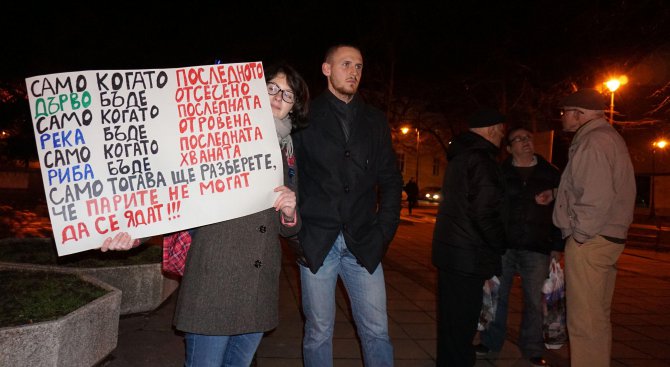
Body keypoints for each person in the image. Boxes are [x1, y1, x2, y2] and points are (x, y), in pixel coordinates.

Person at [101, 63, 310, 366]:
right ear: (253, 91)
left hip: (258, 285)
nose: (278, 96)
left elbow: (288, 229)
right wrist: (132, 232)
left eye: (288, 95)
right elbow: (172, 192)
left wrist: (290, 212)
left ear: (293, 108)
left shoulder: (286, 154)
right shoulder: (215, 138)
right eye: (272, 88)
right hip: (214, 281)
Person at [292, 44, 403, 367]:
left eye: (358, 66)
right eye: (346, 64)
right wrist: (297, 233)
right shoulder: (305, 115)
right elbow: (291, 175)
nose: (354, 71)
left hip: (364, 241)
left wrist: (384, 231)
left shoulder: (375, 120)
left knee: (377, 330)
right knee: (318, 331)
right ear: (327, 69)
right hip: (317, 241)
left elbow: (391, 180)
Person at [553, 89, 635, 367]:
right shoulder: (606, 138)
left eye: (565, 112)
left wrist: (579, 237)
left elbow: (596, 196)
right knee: (597, 317)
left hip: (592, 240)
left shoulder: (593, 141)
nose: (562, 117)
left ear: (579, 114)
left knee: (584, 320)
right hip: (605, 237)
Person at [476, 127, 562, 367]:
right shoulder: (500, 172)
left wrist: (557, 245)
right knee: (496, 296)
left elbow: (560, 211)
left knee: (535, 300)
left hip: (537, 245)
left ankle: (533, 348)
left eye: (528, 137)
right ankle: (490, 341)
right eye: (519, 139)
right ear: (509, 147)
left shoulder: (550, 173)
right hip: (504, 245)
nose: (525, 142)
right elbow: (491, 208)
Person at [431, 108, 507, 366]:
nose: (502, 136)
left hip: (453, 253)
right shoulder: (482, 160)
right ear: (492, 129)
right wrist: (500, 244)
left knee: (451, 324)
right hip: (468, 256)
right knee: (463, 326)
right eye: (501, 130)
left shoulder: (461, 156)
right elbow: (484, 213)